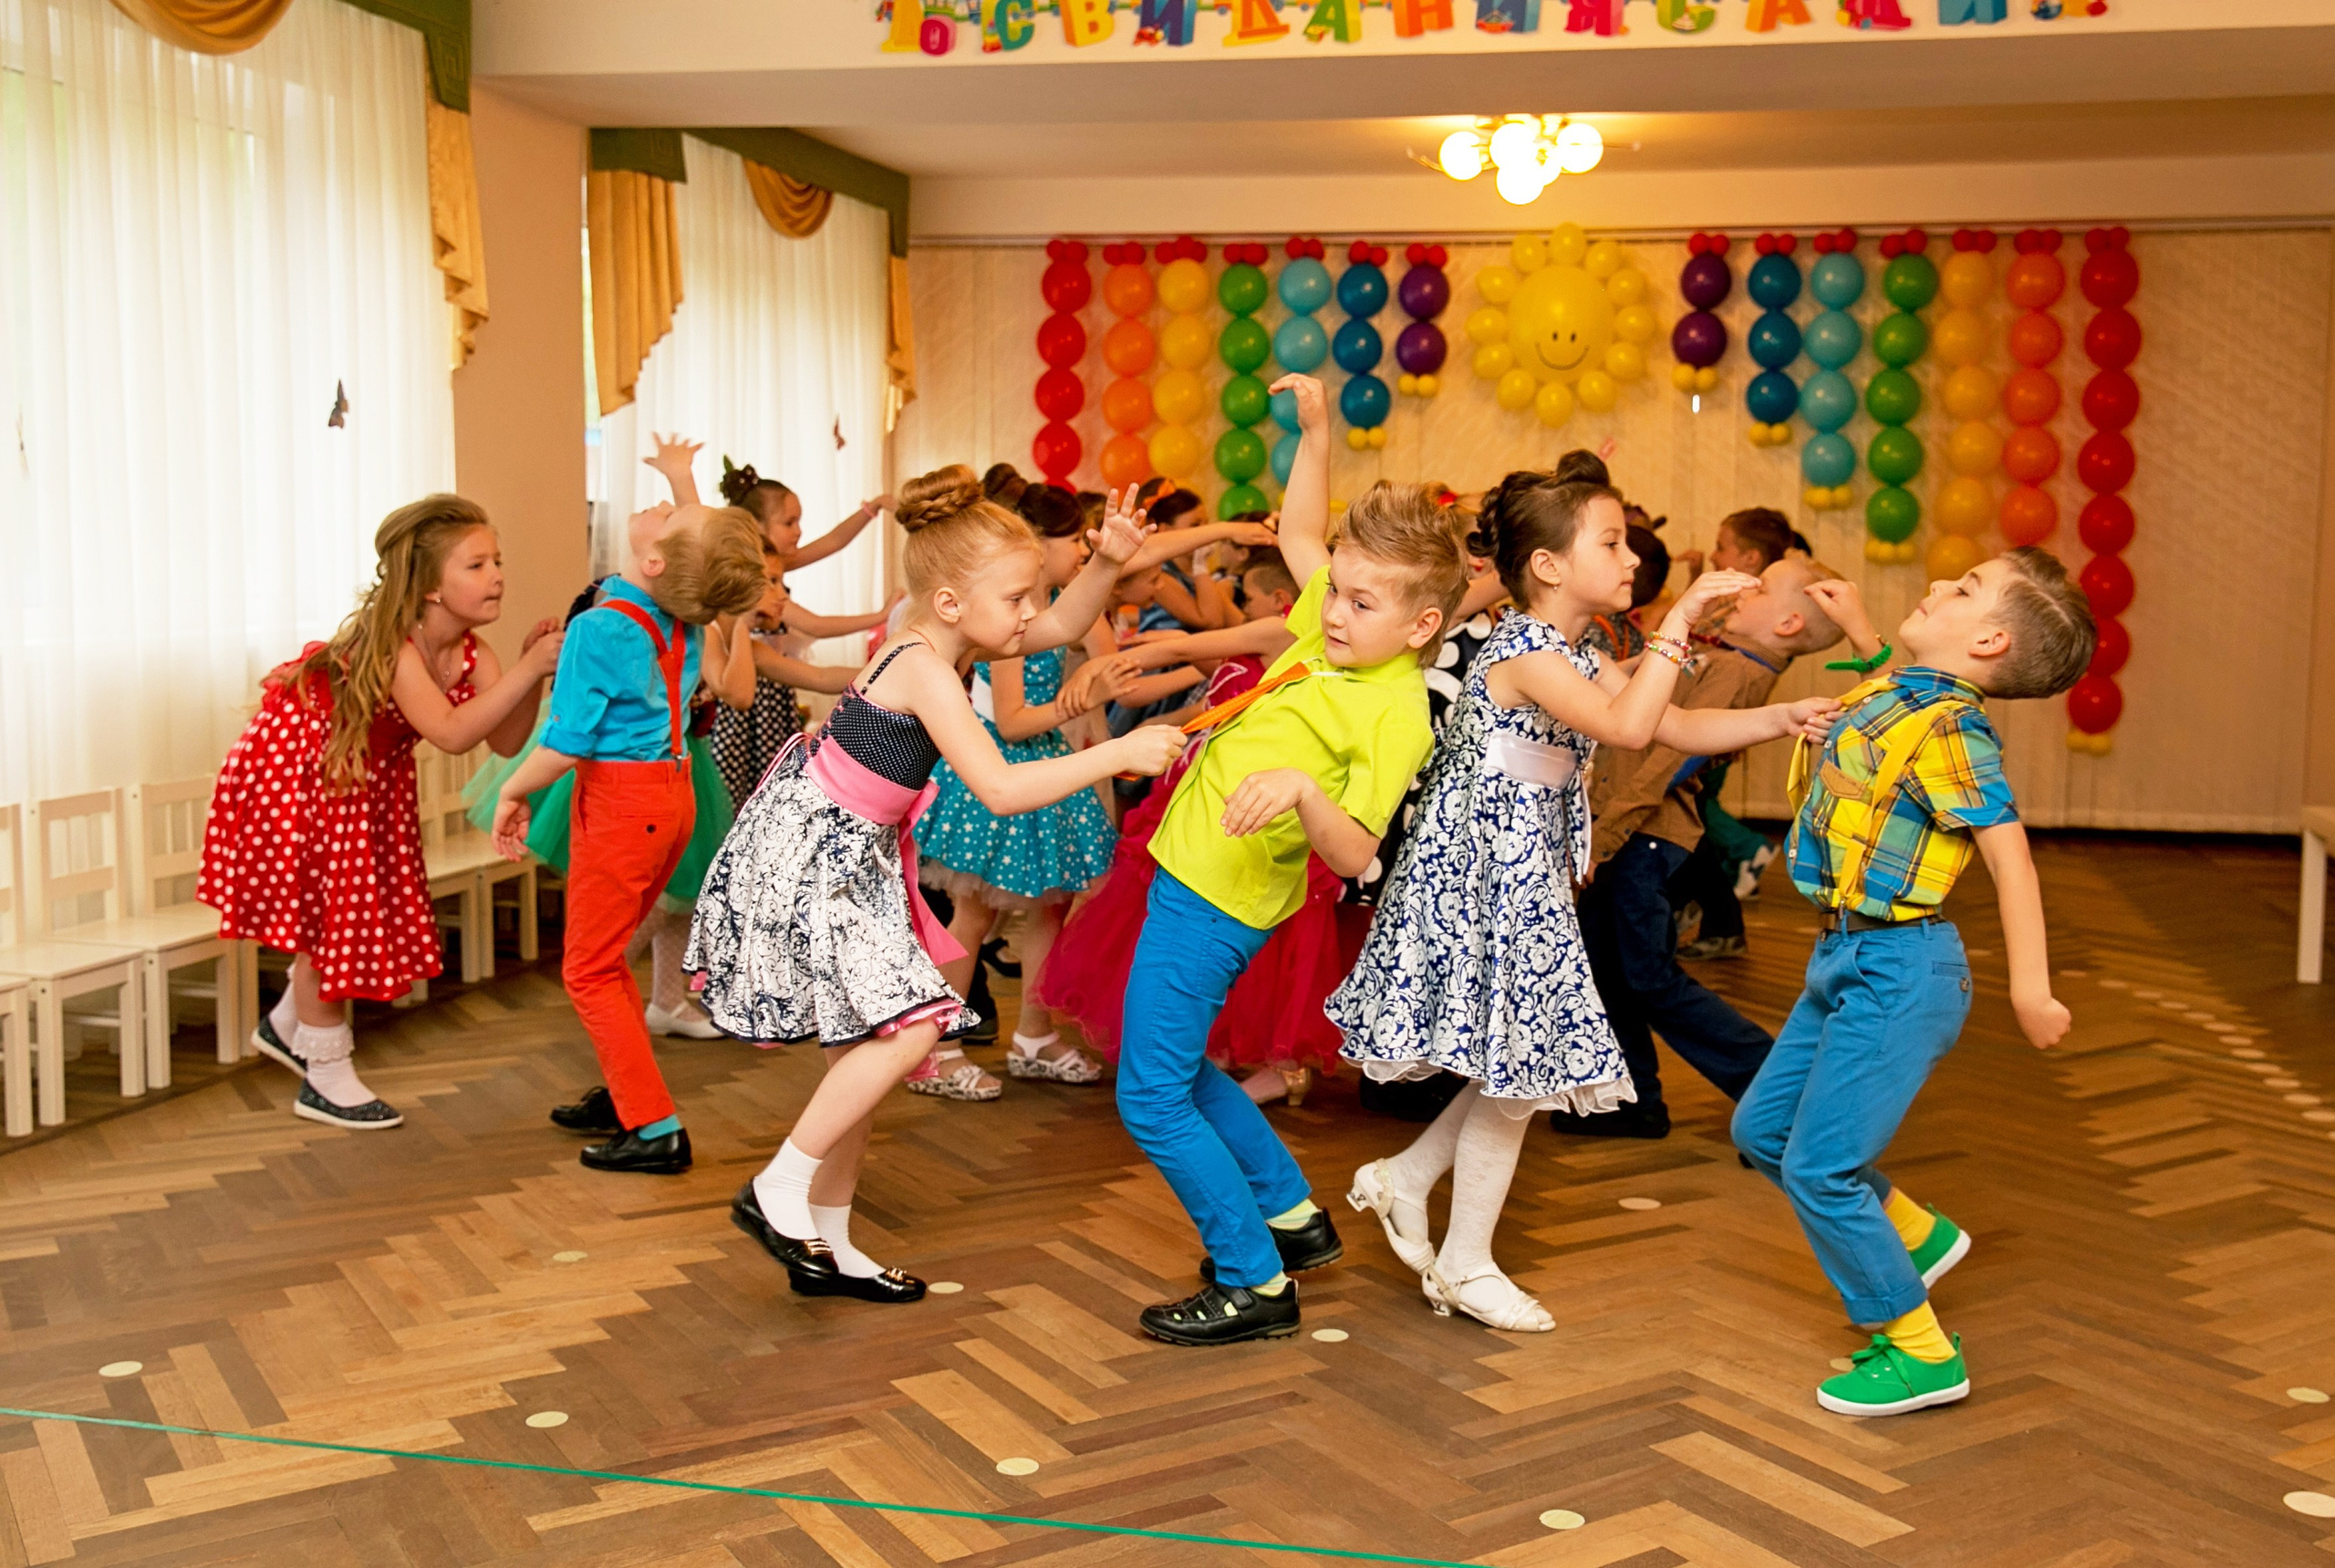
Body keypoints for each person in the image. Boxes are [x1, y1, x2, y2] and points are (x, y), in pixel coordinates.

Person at [1329, 475, 1833, 1334]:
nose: (1631, 556)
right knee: (1521, 1072)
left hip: (1520, 875)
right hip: (1483, 878)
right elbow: (1630, 728)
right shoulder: (1526, 646)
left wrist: (1781, 713)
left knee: (1514, 1069)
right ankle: (1464, 1259)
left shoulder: (1574, 650)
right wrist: (1679, 625)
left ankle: (1411, 1186)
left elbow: (1672, 726)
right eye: (1611, 542)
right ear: (1548, 566)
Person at [687, 469, 1184, 1303]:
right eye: (1016, 597)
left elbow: (1061, 621)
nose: (1032, 613)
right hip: (824, 852)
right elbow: (999, 786)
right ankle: (779, 1186)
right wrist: (1117, 753)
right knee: (914, 1028)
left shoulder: (943, 634)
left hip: (860, 848)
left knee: (869, 1049)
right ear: (953, 601)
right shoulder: (921, 661)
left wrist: (1105, 565)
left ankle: (834, 1242)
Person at [1115, 372, 1471, 1347]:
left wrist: (1307, 793)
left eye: (1360, 600)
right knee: (1178, 1068)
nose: (1334, 608)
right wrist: (1314, 433)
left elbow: (1356, 851)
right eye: (1340, 592)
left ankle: (1254, 1280)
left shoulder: (1392, 709)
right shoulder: (1339, 632)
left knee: (1148, 1094)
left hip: (1216, 900)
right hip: (1192, 870)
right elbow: (1302, 535)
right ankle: (1290, 1215)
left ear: (1420, 625)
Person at [1733, 548, 2091, 1417]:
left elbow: (2012, 862)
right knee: (1761, 1130)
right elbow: (1883, 693)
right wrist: (1859, 630)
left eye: (1963, 590)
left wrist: (2032, 989)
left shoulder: (1952, 730)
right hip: (1844, 957)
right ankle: (1916, 1236)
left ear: (1991, 639)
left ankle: (1922, 1350)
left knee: (1820, 1167)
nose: (1936, 588)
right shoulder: (1910, 695)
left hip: (1901, 969)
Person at [202, 497, 562, 1129]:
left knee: (343, 907)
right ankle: (325, 1071)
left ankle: (289, 1024)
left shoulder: (474, 654)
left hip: (363, 778)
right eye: (476, 564)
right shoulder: (396, 647)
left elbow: (505, 743)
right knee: (333, 915)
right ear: (427, 588)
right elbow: (449, 732)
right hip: (306, 767)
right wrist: (530, 666)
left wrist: (531, 679)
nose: (497, 574)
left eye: (497, 561)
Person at [489, 496, 766, 1172]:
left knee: (587, 968)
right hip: (668, 801)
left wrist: (512, 788)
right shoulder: (677, 612)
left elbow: (566, 740)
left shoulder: (605, 627)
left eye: (673, 516)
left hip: (623, 806)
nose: (669, 504)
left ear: (654, 559)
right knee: (608, 958)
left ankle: (654, 1127)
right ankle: (628, 1089)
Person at [1557, 556, 1873, 1141]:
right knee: (1608, 971)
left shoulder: (1732, 670)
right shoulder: (1725, 658)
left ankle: (1784, 1093)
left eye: (1755, 593)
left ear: (1783, 624)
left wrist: (1607, 834)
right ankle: (1629, 1102)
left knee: (1648, 977)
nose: (1736, 600)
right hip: (1629, 833)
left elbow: (1667, 765)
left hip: (1642, 837)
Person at [909, 483, 1135, 1099]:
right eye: (1075, 545)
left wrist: (1111, 563)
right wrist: (1080, 702)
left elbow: (1072, 624)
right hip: (1000, 764)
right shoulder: (993, 624)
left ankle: (1034, 1034)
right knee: (976, 912)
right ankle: (938, 1045)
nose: (1078, 557)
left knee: (1050, 906)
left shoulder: (1040, 608)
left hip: (1041, 766)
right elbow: (1010, 720)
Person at [1670, 506, 1806, 957]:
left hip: (1699, 736)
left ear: (1749, 559)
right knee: (1692, 820)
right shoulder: (1746, 611)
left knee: (1689, 820)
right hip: (1699, 729)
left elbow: (1705, 658)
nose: (1713, 554)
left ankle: (1712, 915)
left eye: (1722, 547)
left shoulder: (1744, 615)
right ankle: (1708, 917)